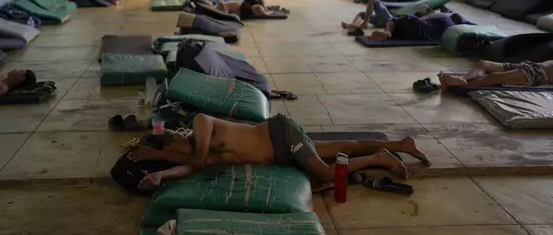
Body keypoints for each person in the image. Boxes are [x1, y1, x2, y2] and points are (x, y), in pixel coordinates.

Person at [128, 113, 431, 190]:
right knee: (343, 147)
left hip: (280, 133)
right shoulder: (202, 155)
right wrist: (160, 175)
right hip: (281, 152)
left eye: (173, 147)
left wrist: (156, 156)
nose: (178, 148)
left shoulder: (202, 124)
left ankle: (380, 158)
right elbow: (190, 166)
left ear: (172, 142)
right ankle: (400, 145)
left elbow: (192, 159)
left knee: (325, 172)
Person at [438, 60, 553, 89]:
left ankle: (459, 84)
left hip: (538, 74)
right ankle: (462, 79)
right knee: (484, 63)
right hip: (529, 65)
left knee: (493, 77)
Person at [367, 12, 473, 42]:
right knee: (399, 28)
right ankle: (390, 34)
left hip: (415, 27)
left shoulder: (443, 16)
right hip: (414, 36)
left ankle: (387, 31)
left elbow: (422, 20)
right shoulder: (449, 31)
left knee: (393, 20)